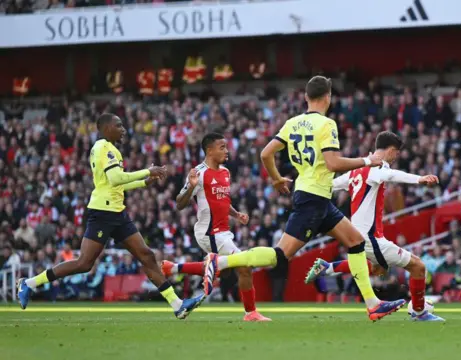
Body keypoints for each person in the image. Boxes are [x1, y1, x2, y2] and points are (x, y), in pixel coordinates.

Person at [203, 76, 406, 321]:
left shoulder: (293, 122)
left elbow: (266, 153)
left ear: (307, 97)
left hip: (316, 197)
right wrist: (367, 160)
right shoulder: (327, 124)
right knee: (280, 256)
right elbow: (332, 164)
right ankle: (221, 261)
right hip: (313, 198)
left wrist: (276, 179)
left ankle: (373, 305)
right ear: (328, 97)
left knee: (355, 241)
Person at [17, 113, 204, 319]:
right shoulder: (103, 147)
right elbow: (115, 179)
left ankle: (177, 305)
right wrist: (146, 171)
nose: (123, 129)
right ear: (106, 128)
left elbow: (117, 183)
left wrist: (145, 181)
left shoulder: (110, 149)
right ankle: (29, 283)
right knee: (84, 264)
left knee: (147, 256)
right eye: (119, 125)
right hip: (103, 213)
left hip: (117, 212)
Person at [303, 131, 444, 321]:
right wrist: (418, 179)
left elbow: (332, 185)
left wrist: (307, 185)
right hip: (370, 238)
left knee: (377, 268)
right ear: (391, 150)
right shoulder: (377, 167)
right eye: (396, 153)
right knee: (418, 266)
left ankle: (328, 268)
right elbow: (392, 175)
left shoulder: (356, 171)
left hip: (360, 236)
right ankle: (419, 311)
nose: (396, 157)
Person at [161, 132, 271, 322]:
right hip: (209, 232)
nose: (227, 151)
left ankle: (174, 268)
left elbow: (222, 201)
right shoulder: (198, 173)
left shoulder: (226, 172)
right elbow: (179, 203)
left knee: (226, 269)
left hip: (223, 232)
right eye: (222, 147)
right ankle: (250, 313)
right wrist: (190, 187)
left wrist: (236, 215)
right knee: (244, 266)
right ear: (209, 150)